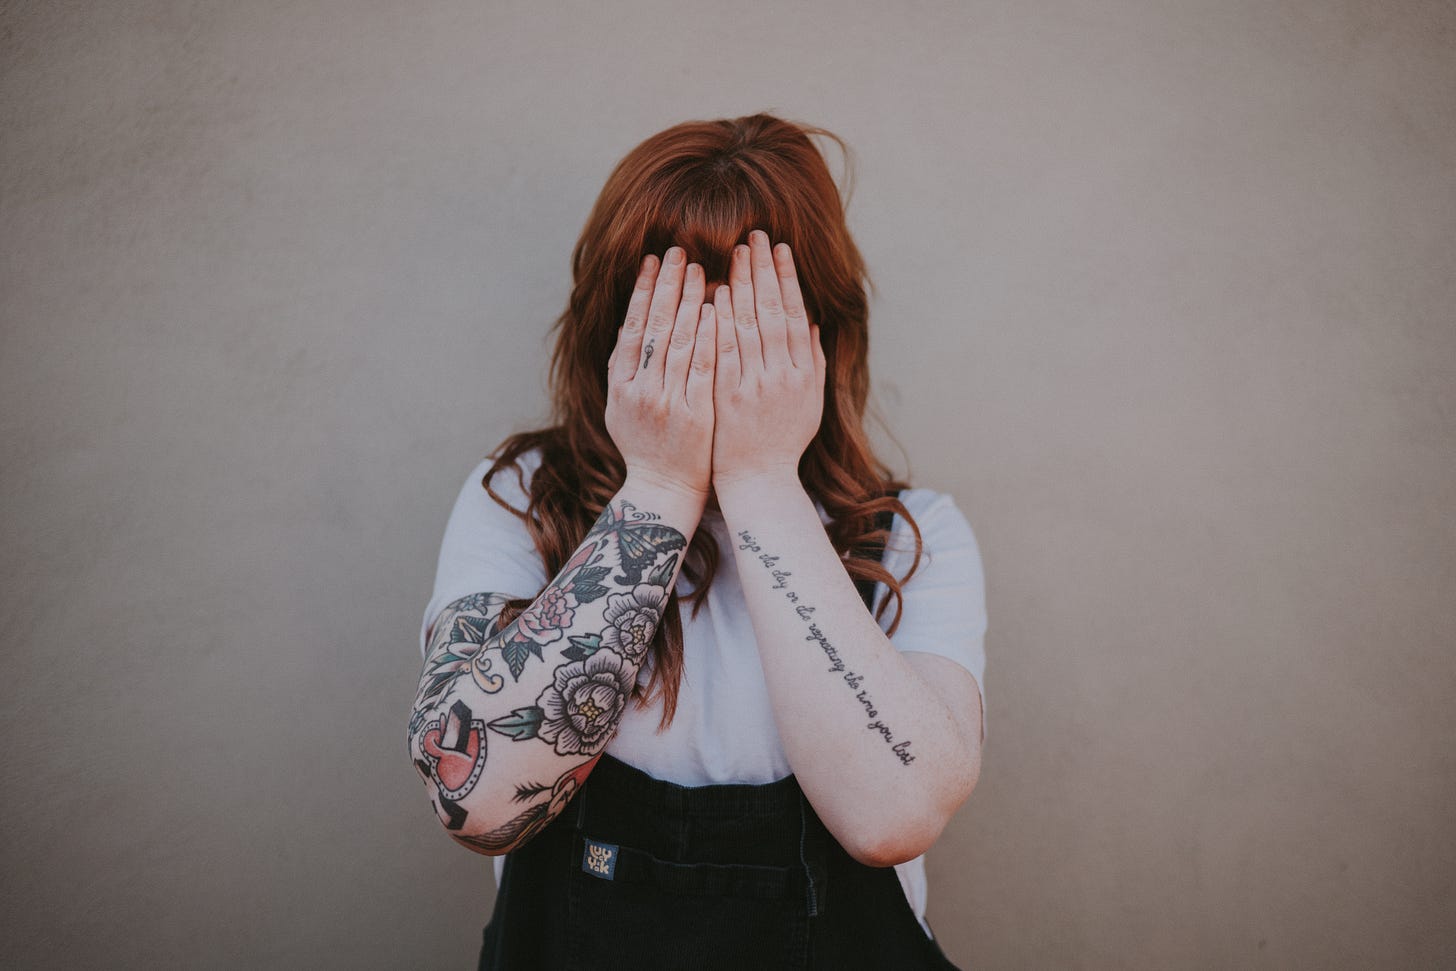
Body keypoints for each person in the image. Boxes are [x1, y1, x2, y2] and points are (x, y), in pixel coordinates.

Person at [408, 112, 987, 970]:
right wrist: (662, 487)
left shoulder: (912, 538)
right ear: (611, 325)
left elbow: (892, 815)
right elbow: (476, 802)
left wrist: (759, 480)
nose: (706, 354)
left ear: (816, 334)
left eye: (747, 321)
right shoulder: (521, 499)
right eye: (673, 318)